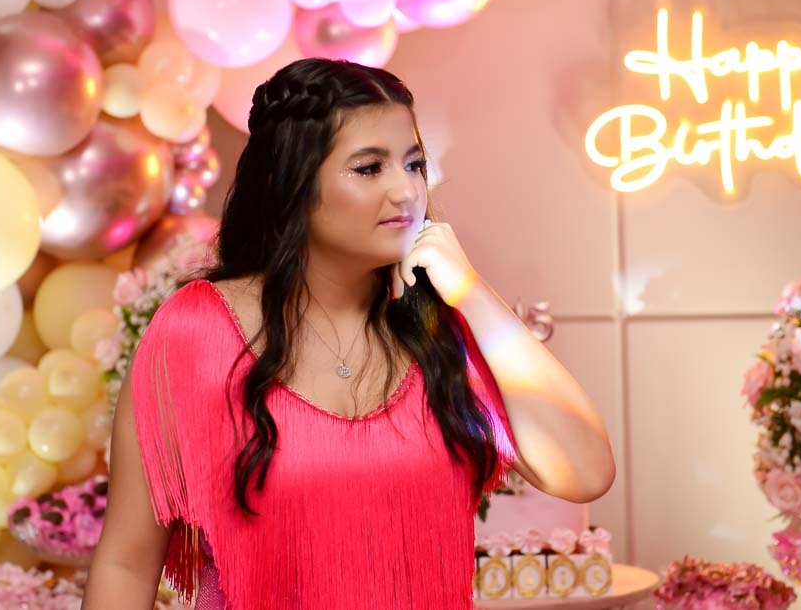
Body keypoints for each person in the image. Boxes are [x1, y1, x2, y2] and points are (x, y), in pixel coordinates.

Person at [82, 58, 615, 609]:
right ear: (288, 184)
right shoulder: (197, 331)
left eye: (414, 164)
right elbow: (126, 563)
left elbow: (586, 471)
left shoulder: (439, 330)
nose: (406, 192)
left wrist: (473, 294)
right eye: (369, 168)